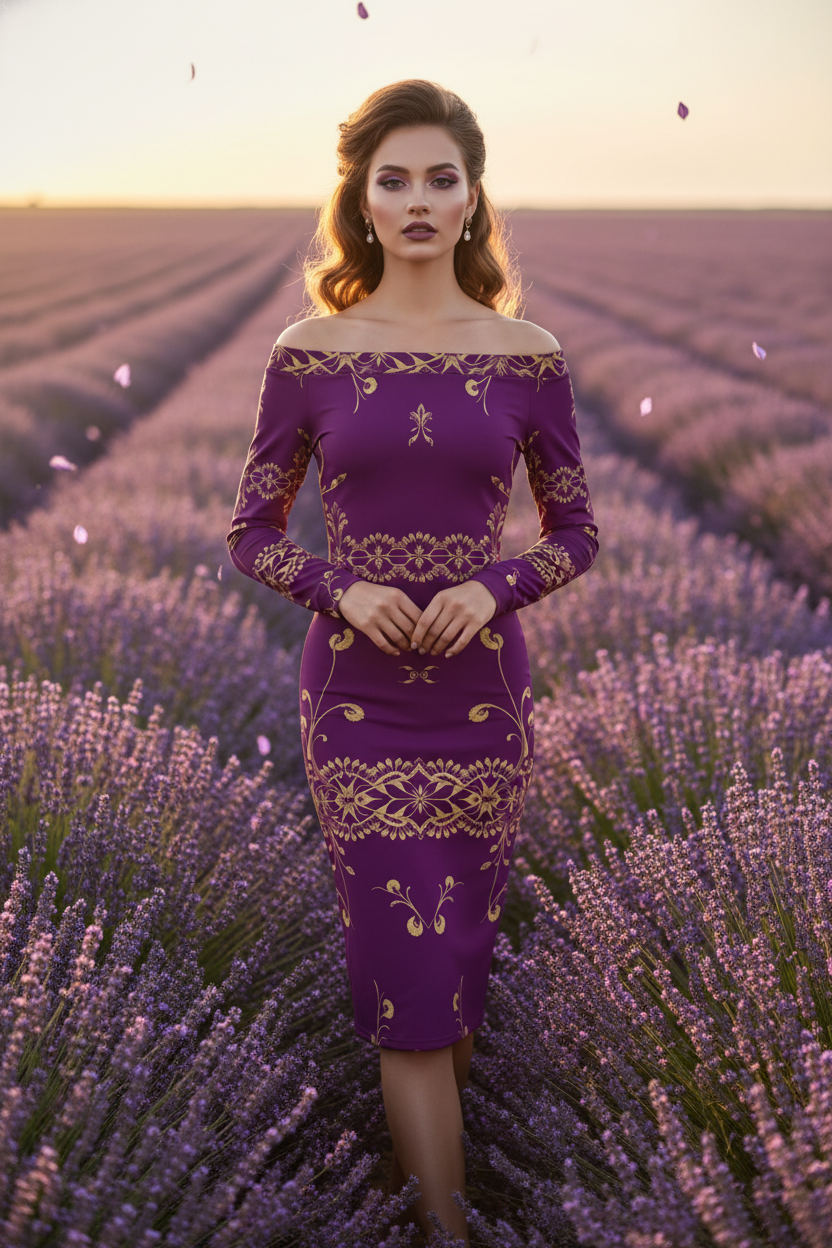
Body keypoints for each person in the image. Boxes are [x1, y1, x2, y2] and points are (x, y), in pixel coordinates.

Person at [226, 79, 598, 1244]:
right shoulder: (310, 353)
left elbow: (576, 530)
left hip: (484, 701)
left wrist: (496, 584)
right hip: (358, 704)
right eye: (395, 179)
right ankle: (447, 1231)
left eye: (442, 178)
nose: (420, 200)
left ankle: (438, 1195)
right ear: (362, 200)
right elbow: (251, 531)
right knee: (408, 990)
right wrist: (348, 586)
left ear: (474, 196)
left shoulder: (527, 356)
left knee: (461, 960)